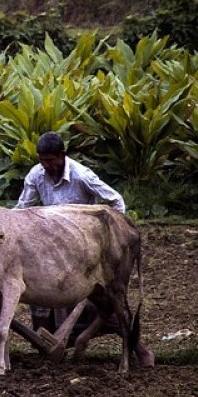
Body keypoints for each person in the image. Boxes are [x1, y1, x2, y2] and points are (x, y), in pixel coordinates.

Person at [17, 131, 126, 343]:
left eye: (49, 161)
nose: (46, 166)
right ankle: (47, 340)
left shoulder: (81, 175)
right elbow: (22, 208)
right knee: (38, 286)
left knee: (92, 294)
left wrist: (112, 236)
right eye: (41, 161)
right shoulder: (36, 175)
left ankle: (126, 340)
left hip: (81, 244)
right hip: (51, 243)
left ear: (62, 155)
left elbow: (116, 201)